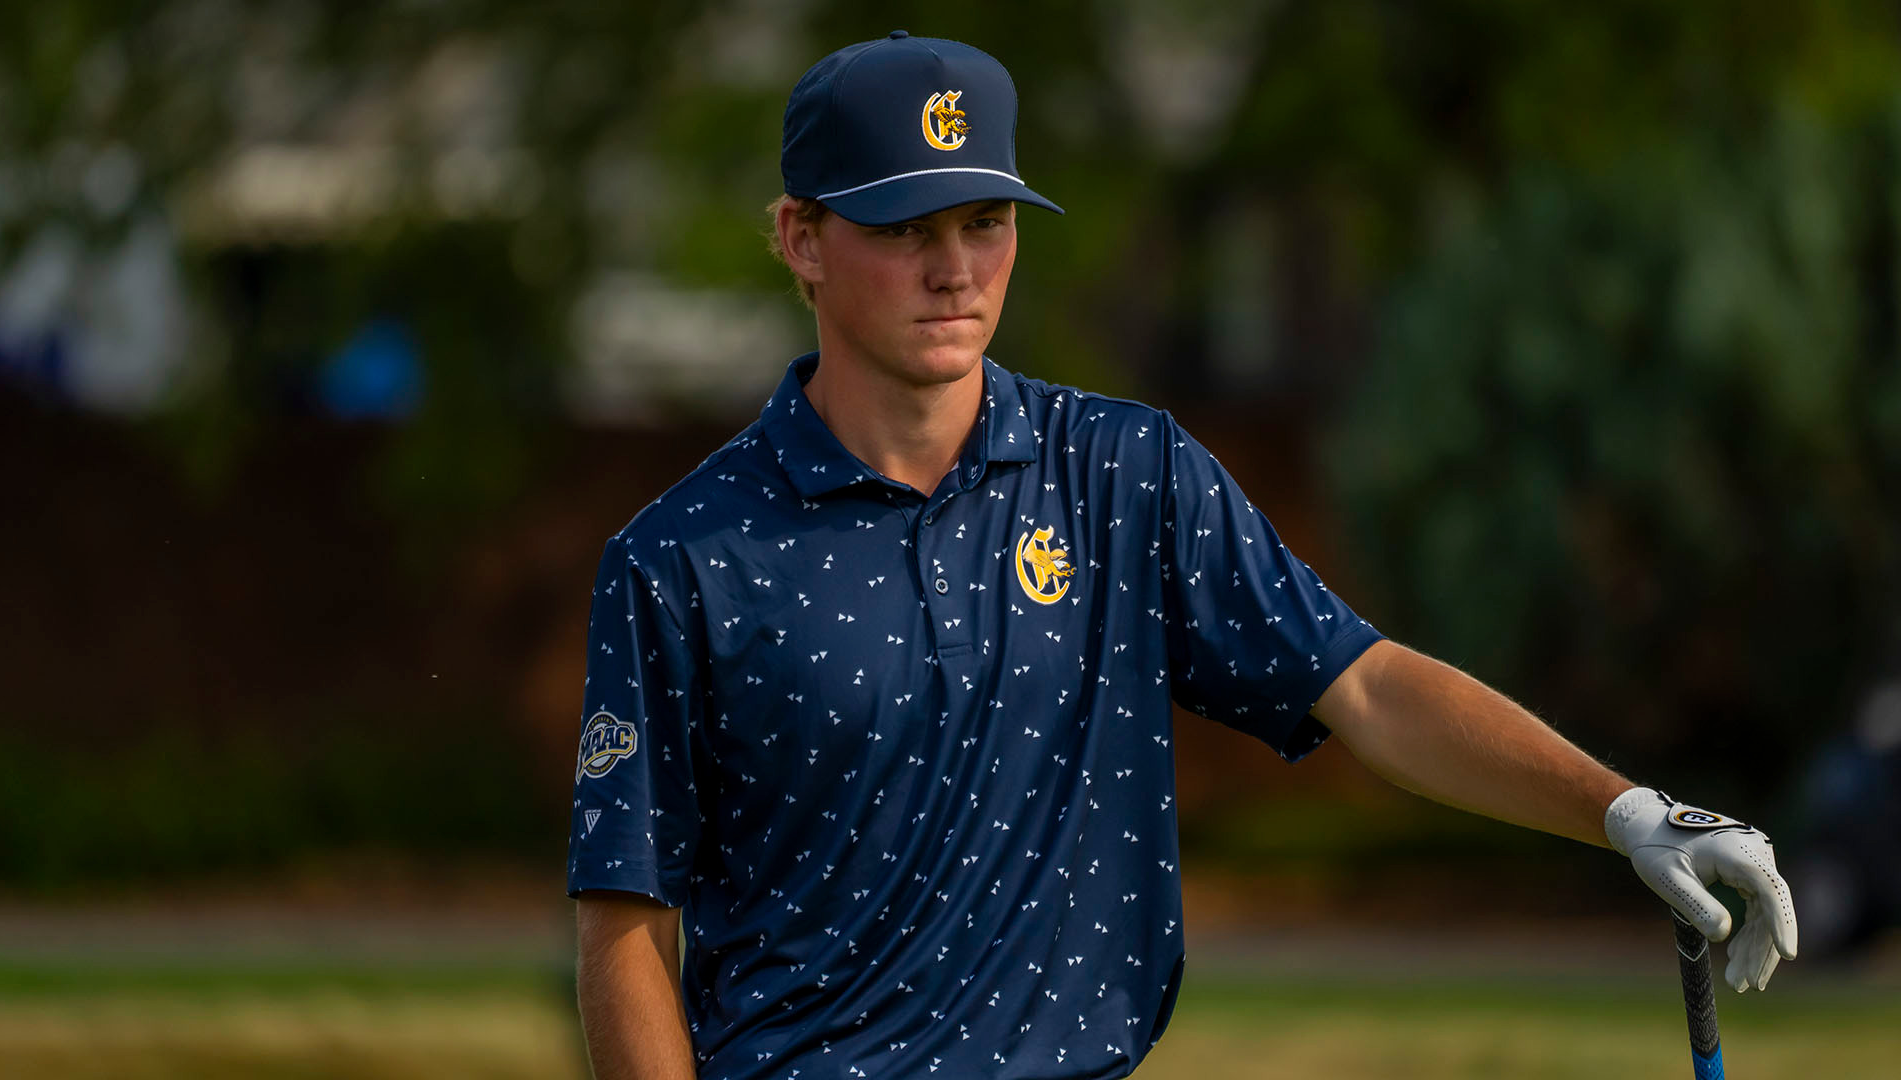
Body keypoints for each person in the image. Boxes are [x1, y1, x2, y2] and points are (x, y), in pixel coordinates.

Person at [567, 31, 1799, 1080]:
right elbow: (626, 925)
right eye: (904, 228)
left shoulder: (1125, 475)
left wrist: (1626, 810)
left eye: (985, 222)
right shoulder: (680, 558)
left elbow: (1365, 684)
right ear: (800, 238)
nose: (954, 270)